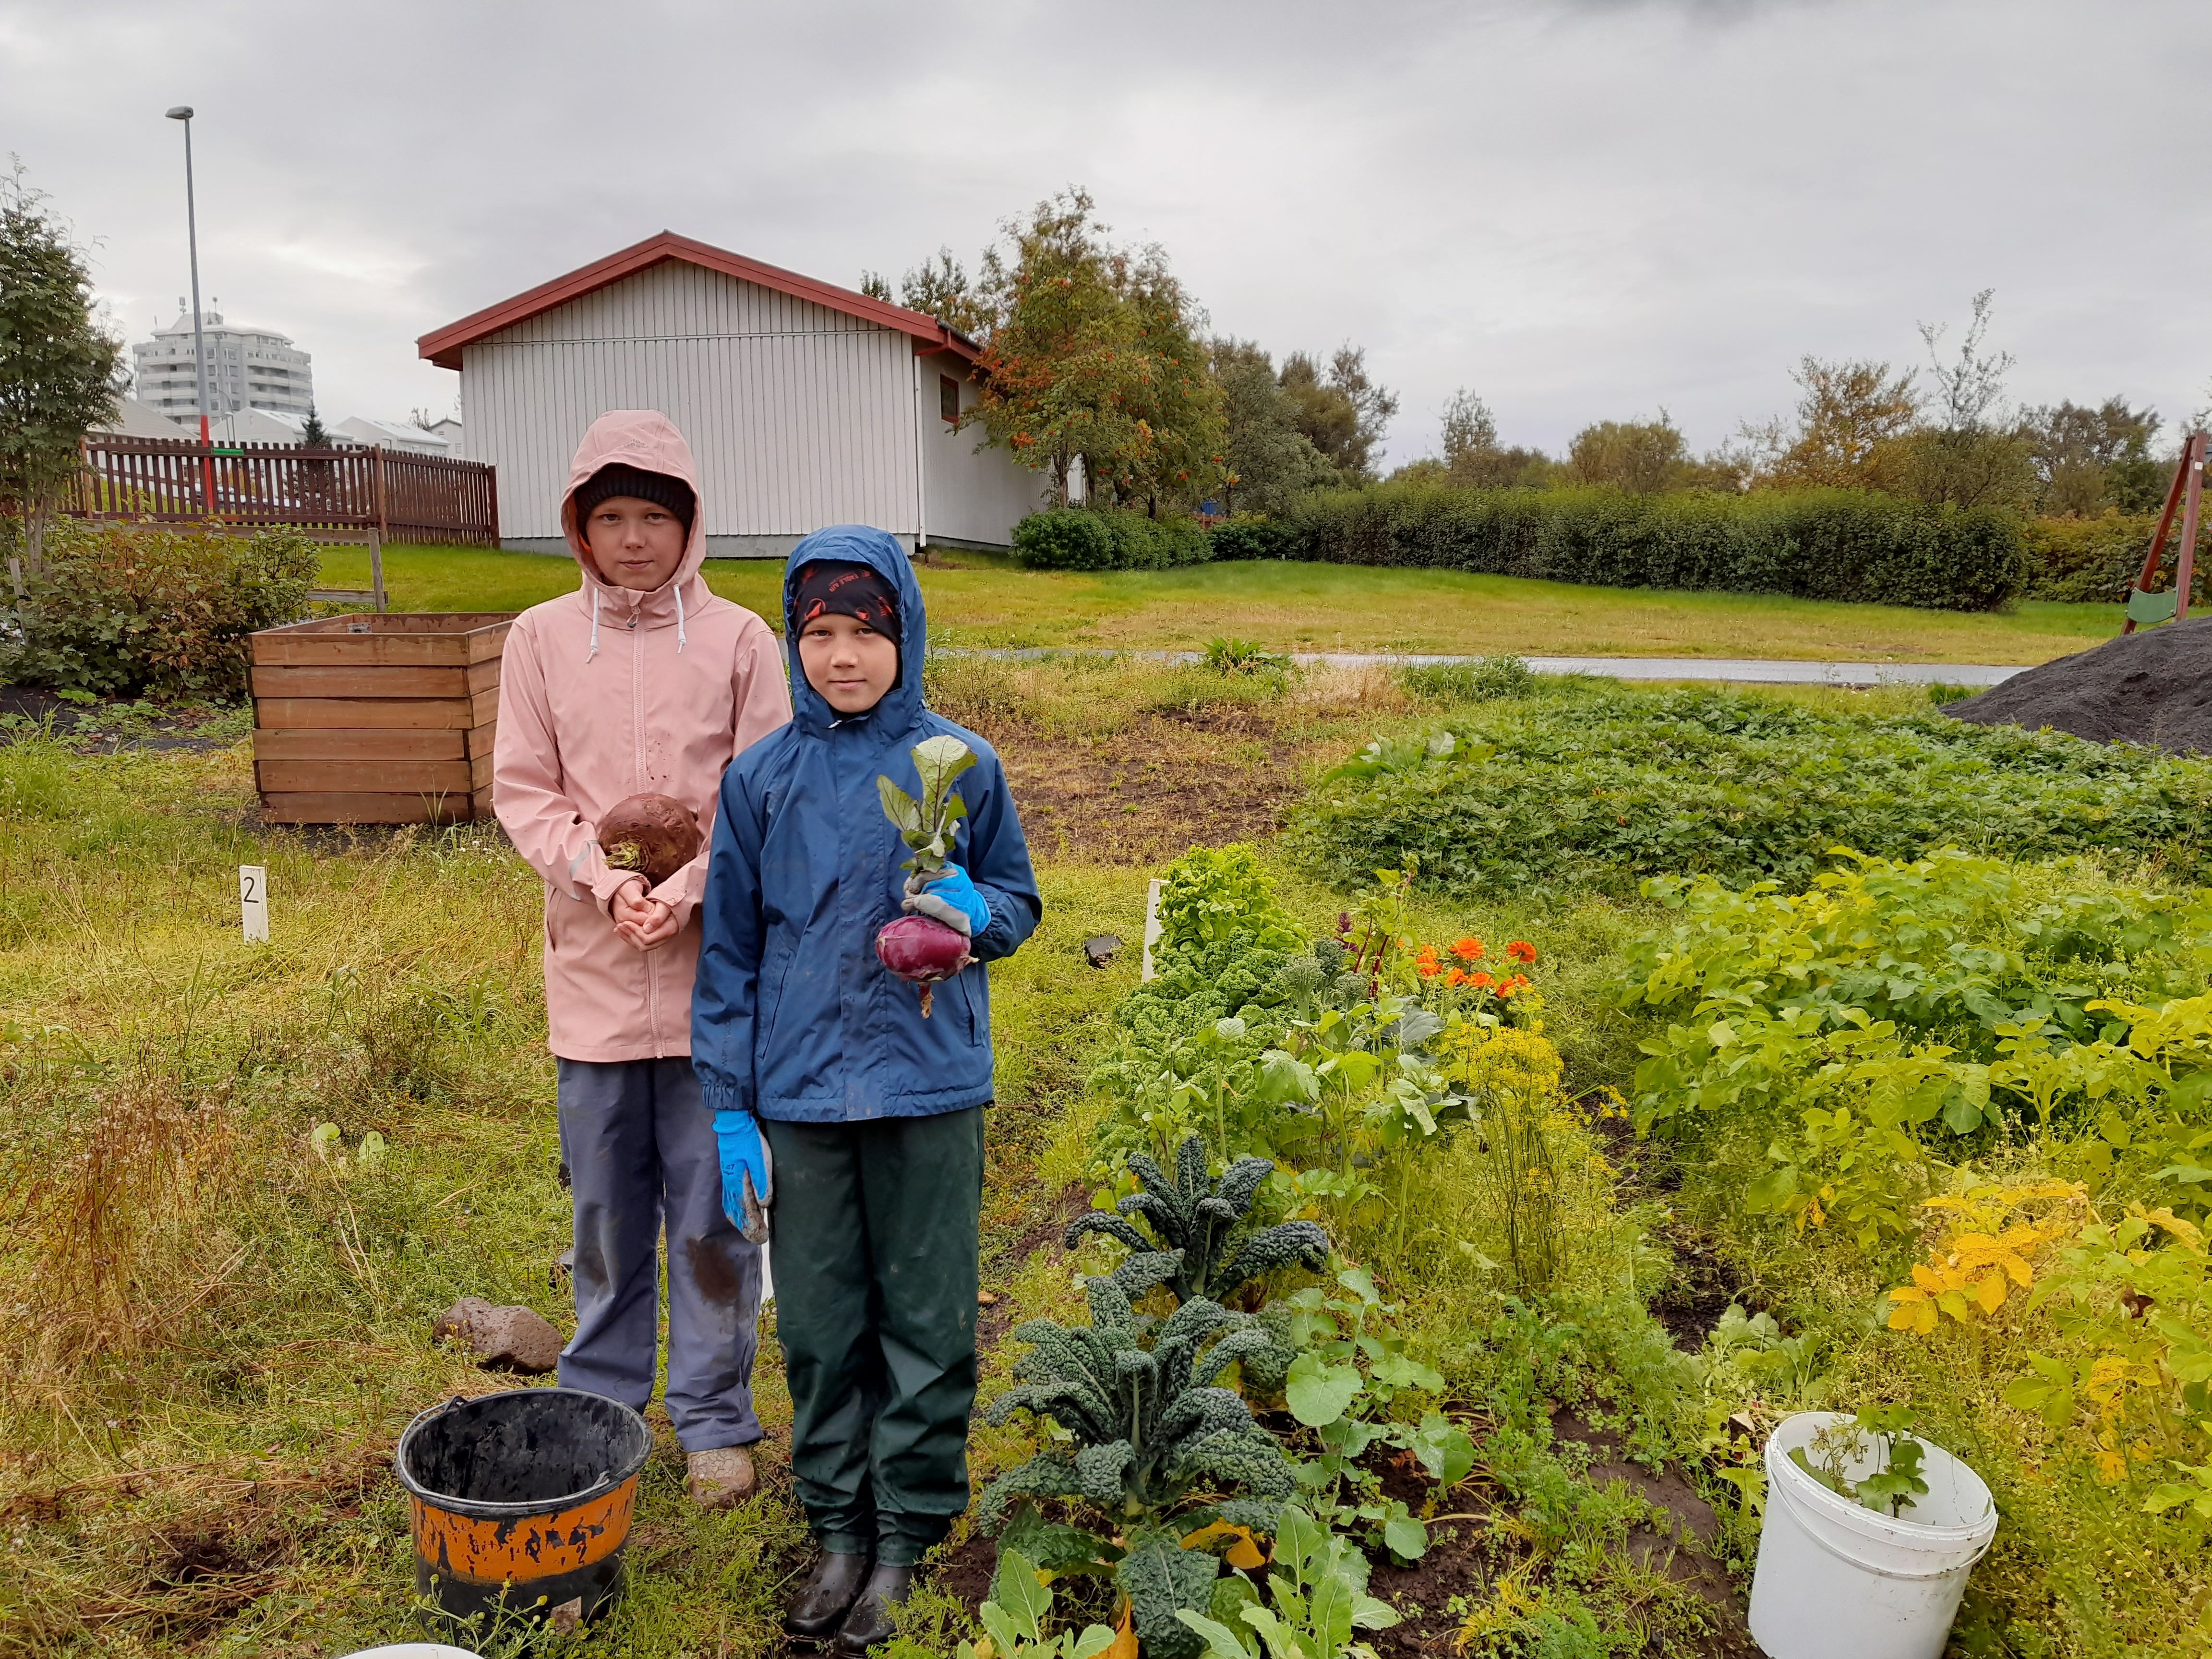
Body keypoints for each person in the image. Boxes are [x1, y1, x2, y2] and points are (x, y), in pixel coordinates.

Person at [693, 526, 1041, 1653]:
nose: (843, 656)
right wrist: (734, 1106)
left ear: (906, 634)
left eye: (865, 633)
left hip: (929, 1083)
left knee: (927, 1317)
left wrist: (967, 918)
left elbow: (1018, 905)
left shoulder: (961, 764)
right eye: (821, 634)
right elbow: (732, 952)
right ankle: (839, 1527)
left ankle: (908, 1536)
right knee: (827, 1325)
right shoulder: (760, 779)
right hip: (799, 1095)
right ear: (797, 645)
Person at [493, 409, 790, 1510]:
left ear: (690, 523)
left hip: (717, 983)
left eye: (654, 516)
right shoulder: (538, 640)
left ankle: (715, 1417)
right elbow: (524, 791)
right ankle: (607, 1404)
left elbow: (762, 792)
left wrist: (691, 884)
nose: (632, 539)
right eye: (609, 516)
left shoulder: (740, 641)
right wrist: (605, 880)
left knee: (714, 1210)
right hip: (595, 975)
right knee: (609, 1209)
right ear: (578, 523)